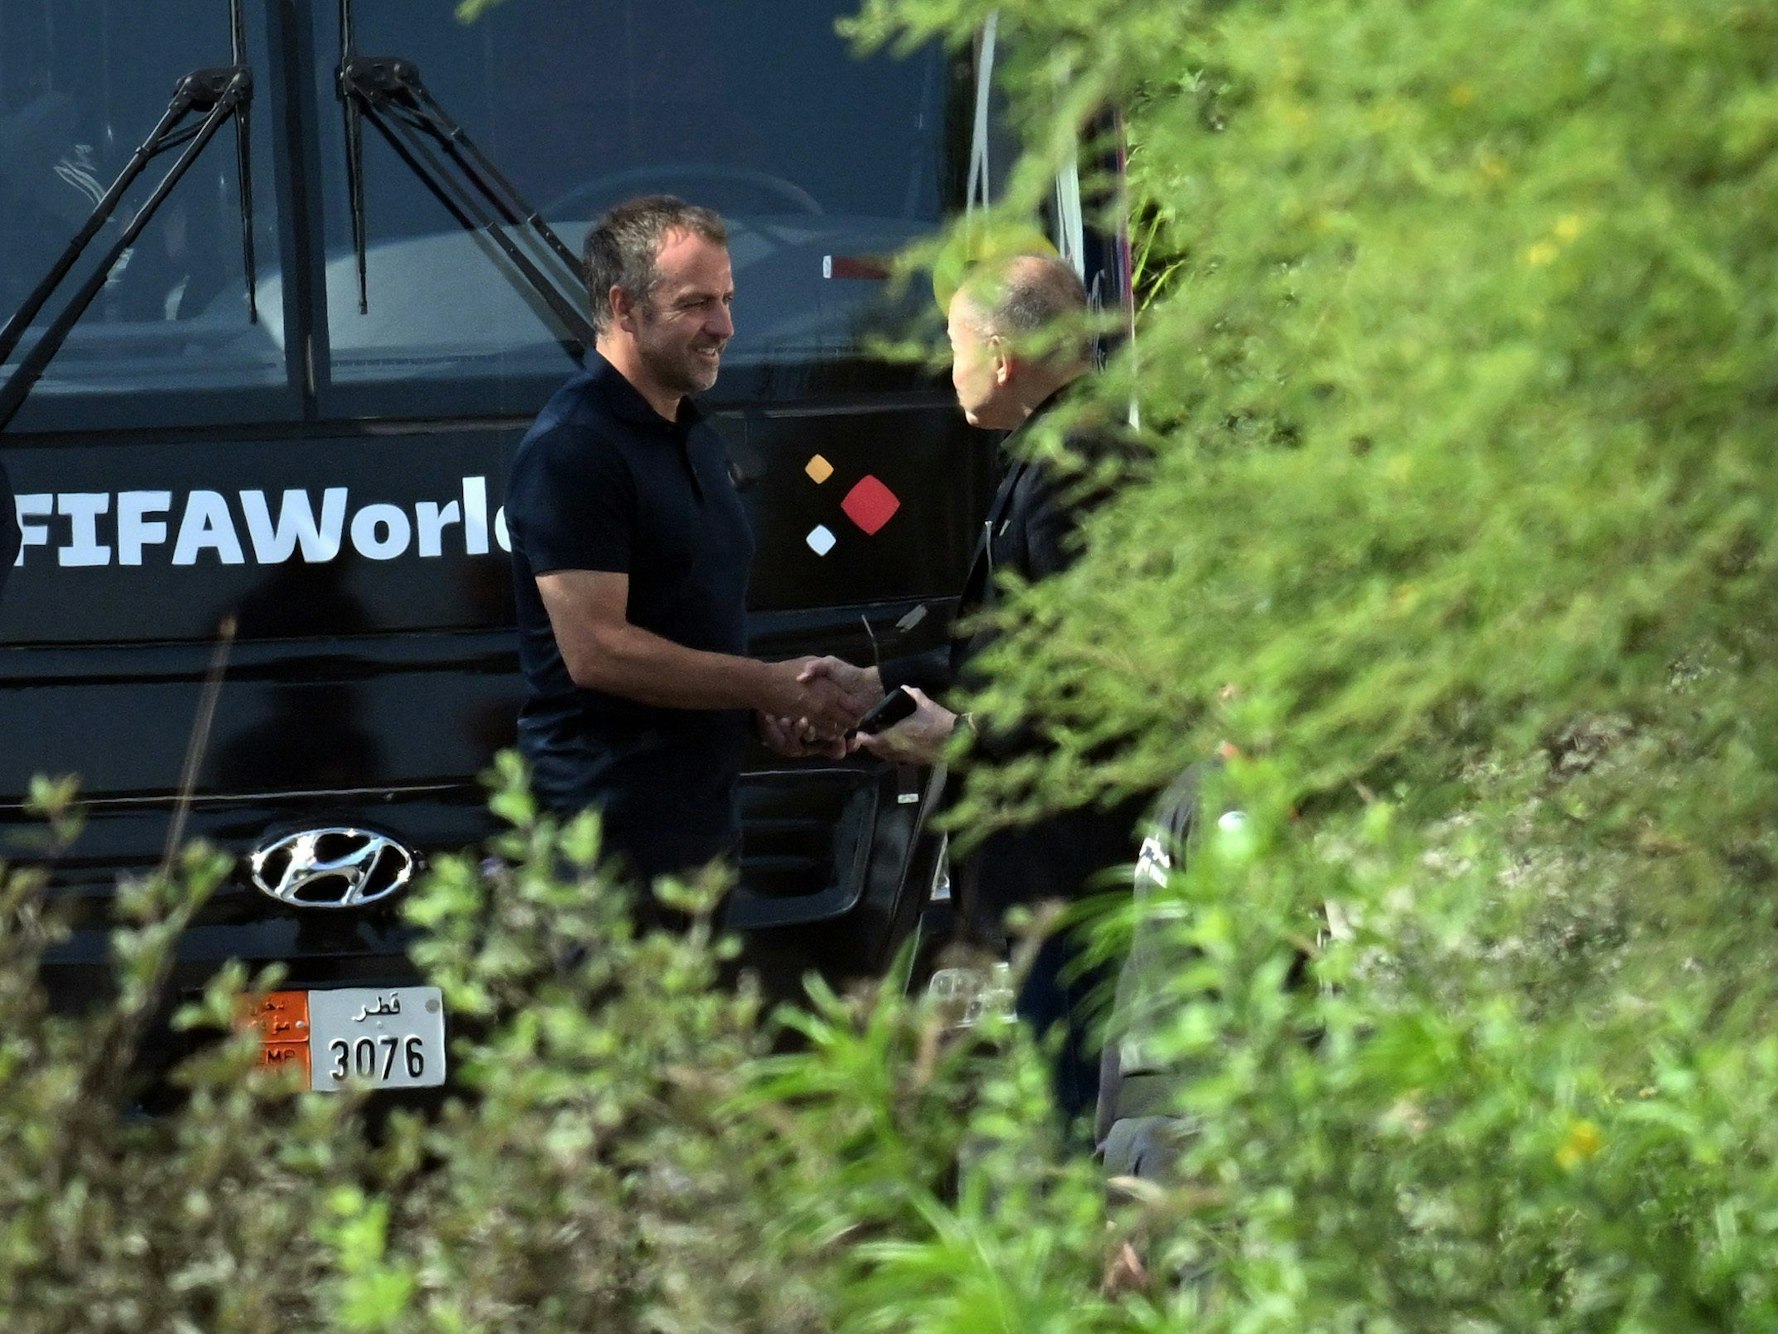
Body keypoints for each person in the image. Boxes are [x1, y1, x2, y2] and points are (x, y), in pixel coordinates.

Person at [821, 253, 1151, 1126]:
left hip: (1072, 866)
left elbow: (1094, 680)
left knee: (1075, 1115)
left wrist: (958, 738)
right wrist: (880, 683)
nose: (948, 365)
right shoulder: (1049, 454)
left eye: (954, 343)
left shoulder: (1079, 467)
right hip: (1046, 866)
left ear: (1001, 358)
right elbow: (1008, 652)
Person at [504, 195, 868, 892]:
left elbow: (690, 624)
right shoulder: (573, 448)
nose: (724, 326)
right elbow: (598, 651)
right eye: (696, 304)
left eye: (727, 300)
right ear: (624, 307)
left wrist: (765, 714)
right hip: (602, 846)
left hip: (699, 830)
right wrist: (768, 684)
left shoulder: (691, 430)